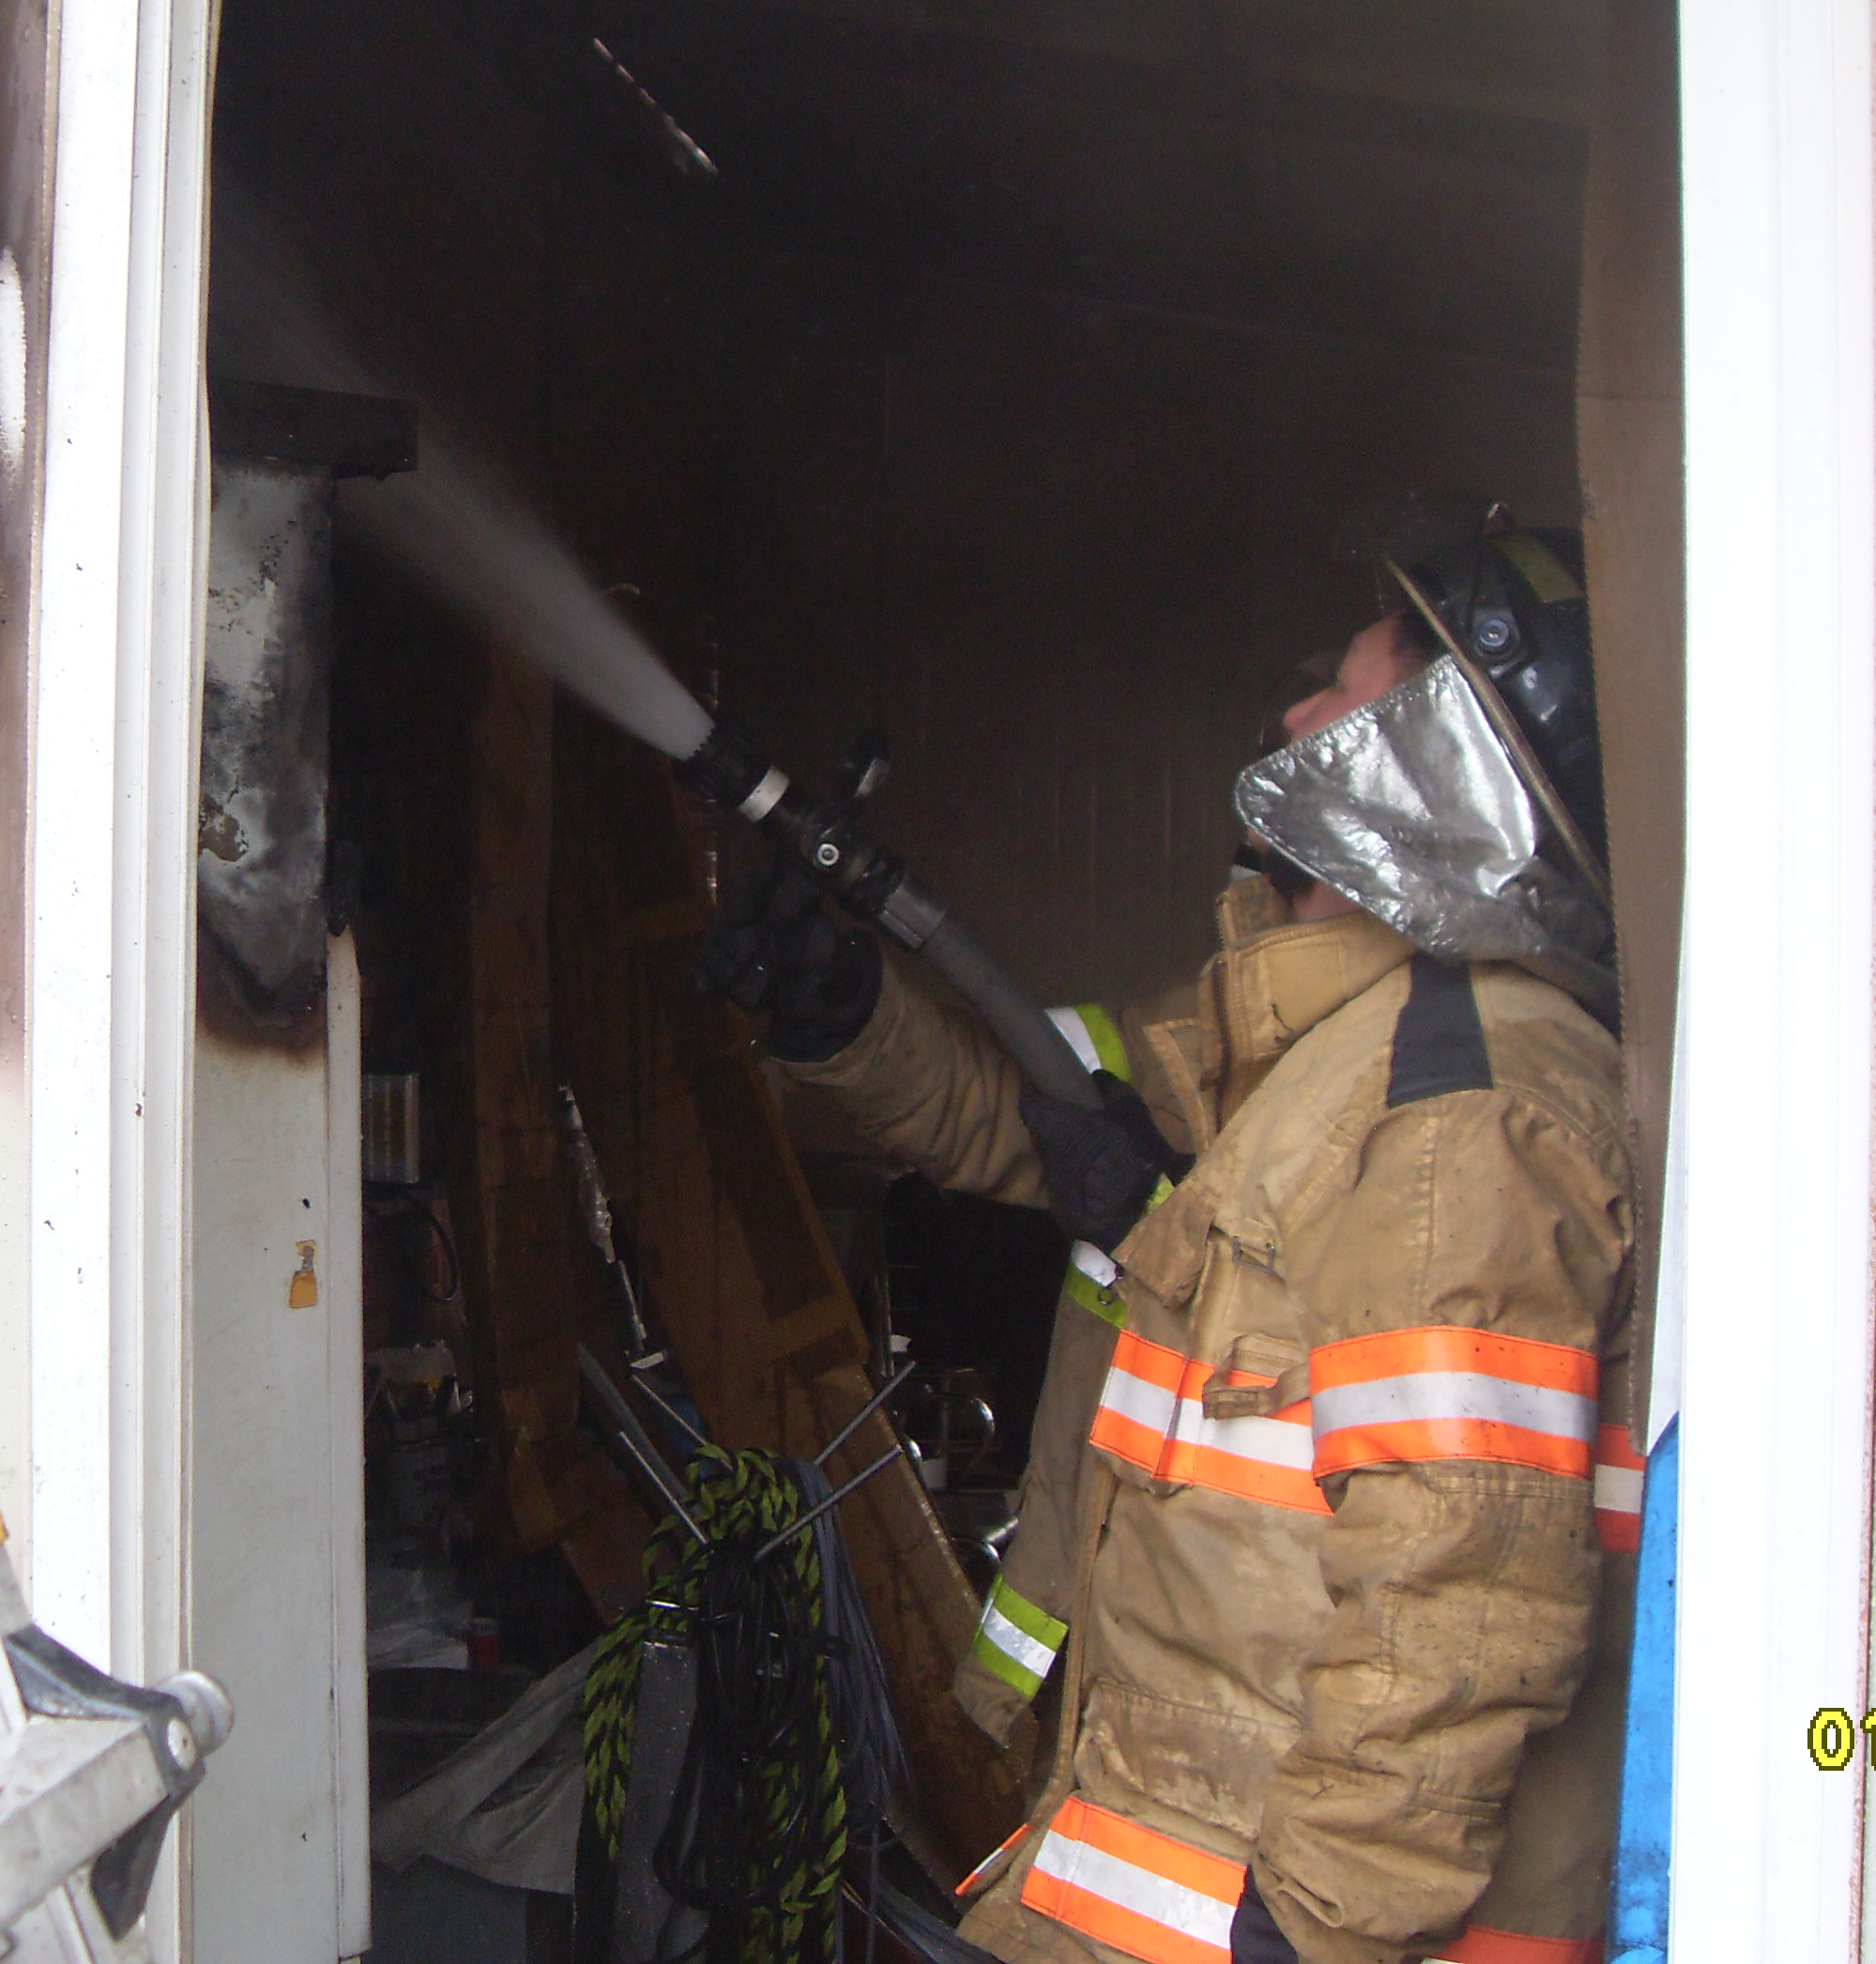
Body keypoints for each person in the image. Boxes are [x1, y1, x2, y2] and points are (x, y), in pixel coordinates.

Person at [702, 519, 1640, 1964]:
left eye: (1346, 692)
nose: (1297, 715)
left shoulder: (1466, 1101)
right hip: (1172, 1854)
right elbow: (1022, 1100)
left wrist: (1311, 1934)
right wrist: (844, 1015)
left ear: (1441, 768)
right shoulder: (1312, 1037)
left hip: (1270, 1909)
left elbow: (1459, 1588)